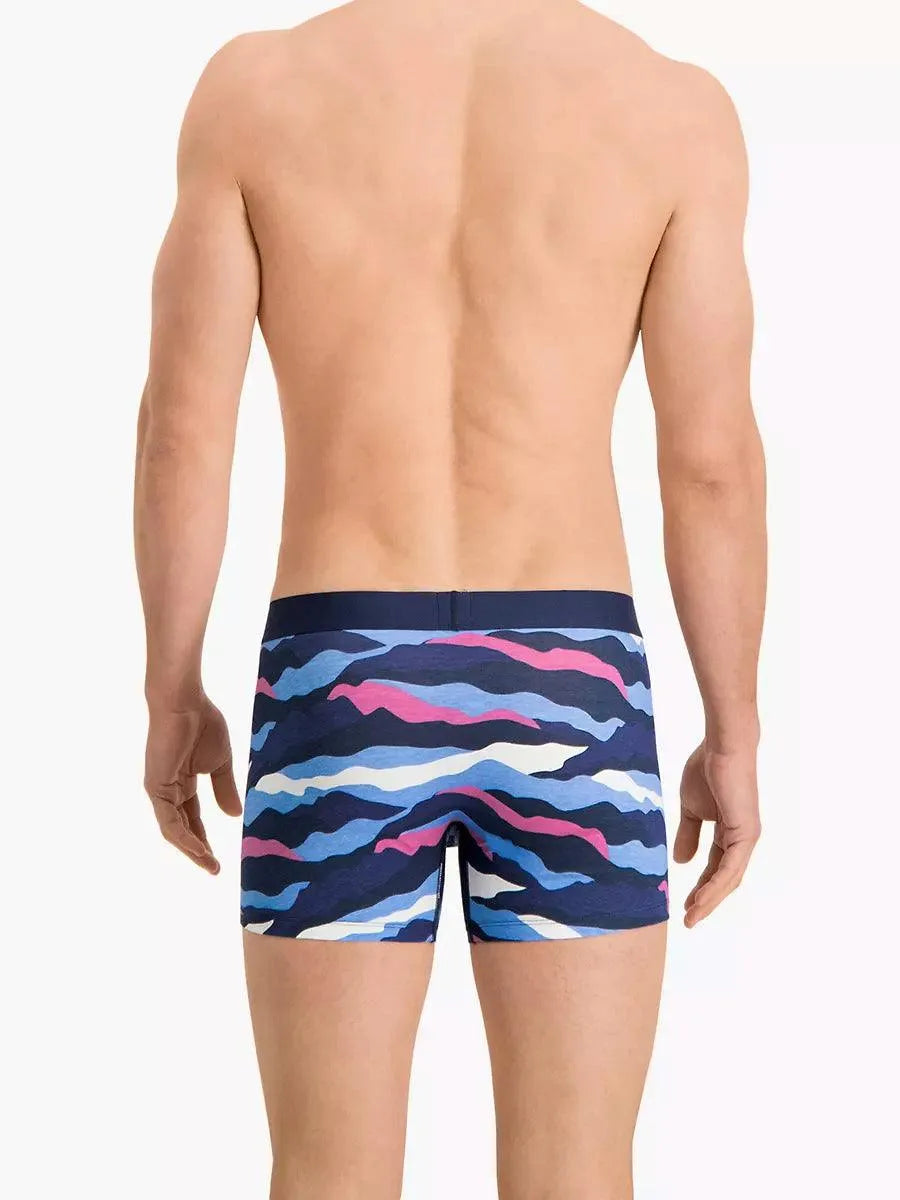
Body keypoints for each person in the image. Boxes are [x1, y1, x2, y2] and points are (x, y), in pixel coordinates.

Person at [134, 2, 765, 1197]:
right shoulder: (669, 105)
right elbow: (711, 464)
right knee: (579, 1170)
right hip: (575, 682)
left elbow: (183, 433)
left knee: (326, 1170)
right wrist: (733, 733)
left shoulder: (259, 91)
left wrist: (171, 689)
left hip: (339, 676)